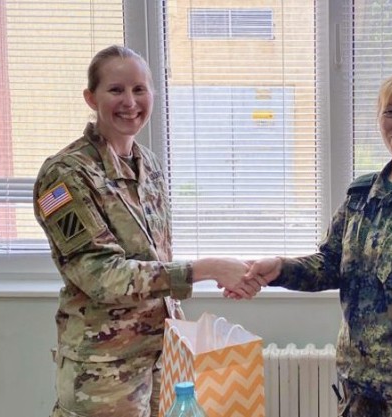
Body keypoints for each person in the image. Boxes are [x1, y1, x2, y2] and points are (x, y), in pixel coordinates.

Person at [236, 72, 392, 417]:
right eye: (391, 112)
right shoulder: (362, 195)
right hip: (358, 385)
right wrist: (280, 268)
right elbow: (329, 265)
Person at [33, 45, 259, 417]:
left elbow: (155, 260)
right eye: (116, 90)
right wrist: (205, 270)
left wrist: (229, 274)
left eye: (140, 89)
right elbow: (102, 276)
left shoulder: (148, 164)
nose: (130, 102)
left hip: (164, 358)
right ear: (91, 98)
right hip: (106, 373)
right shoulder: (65, 175)